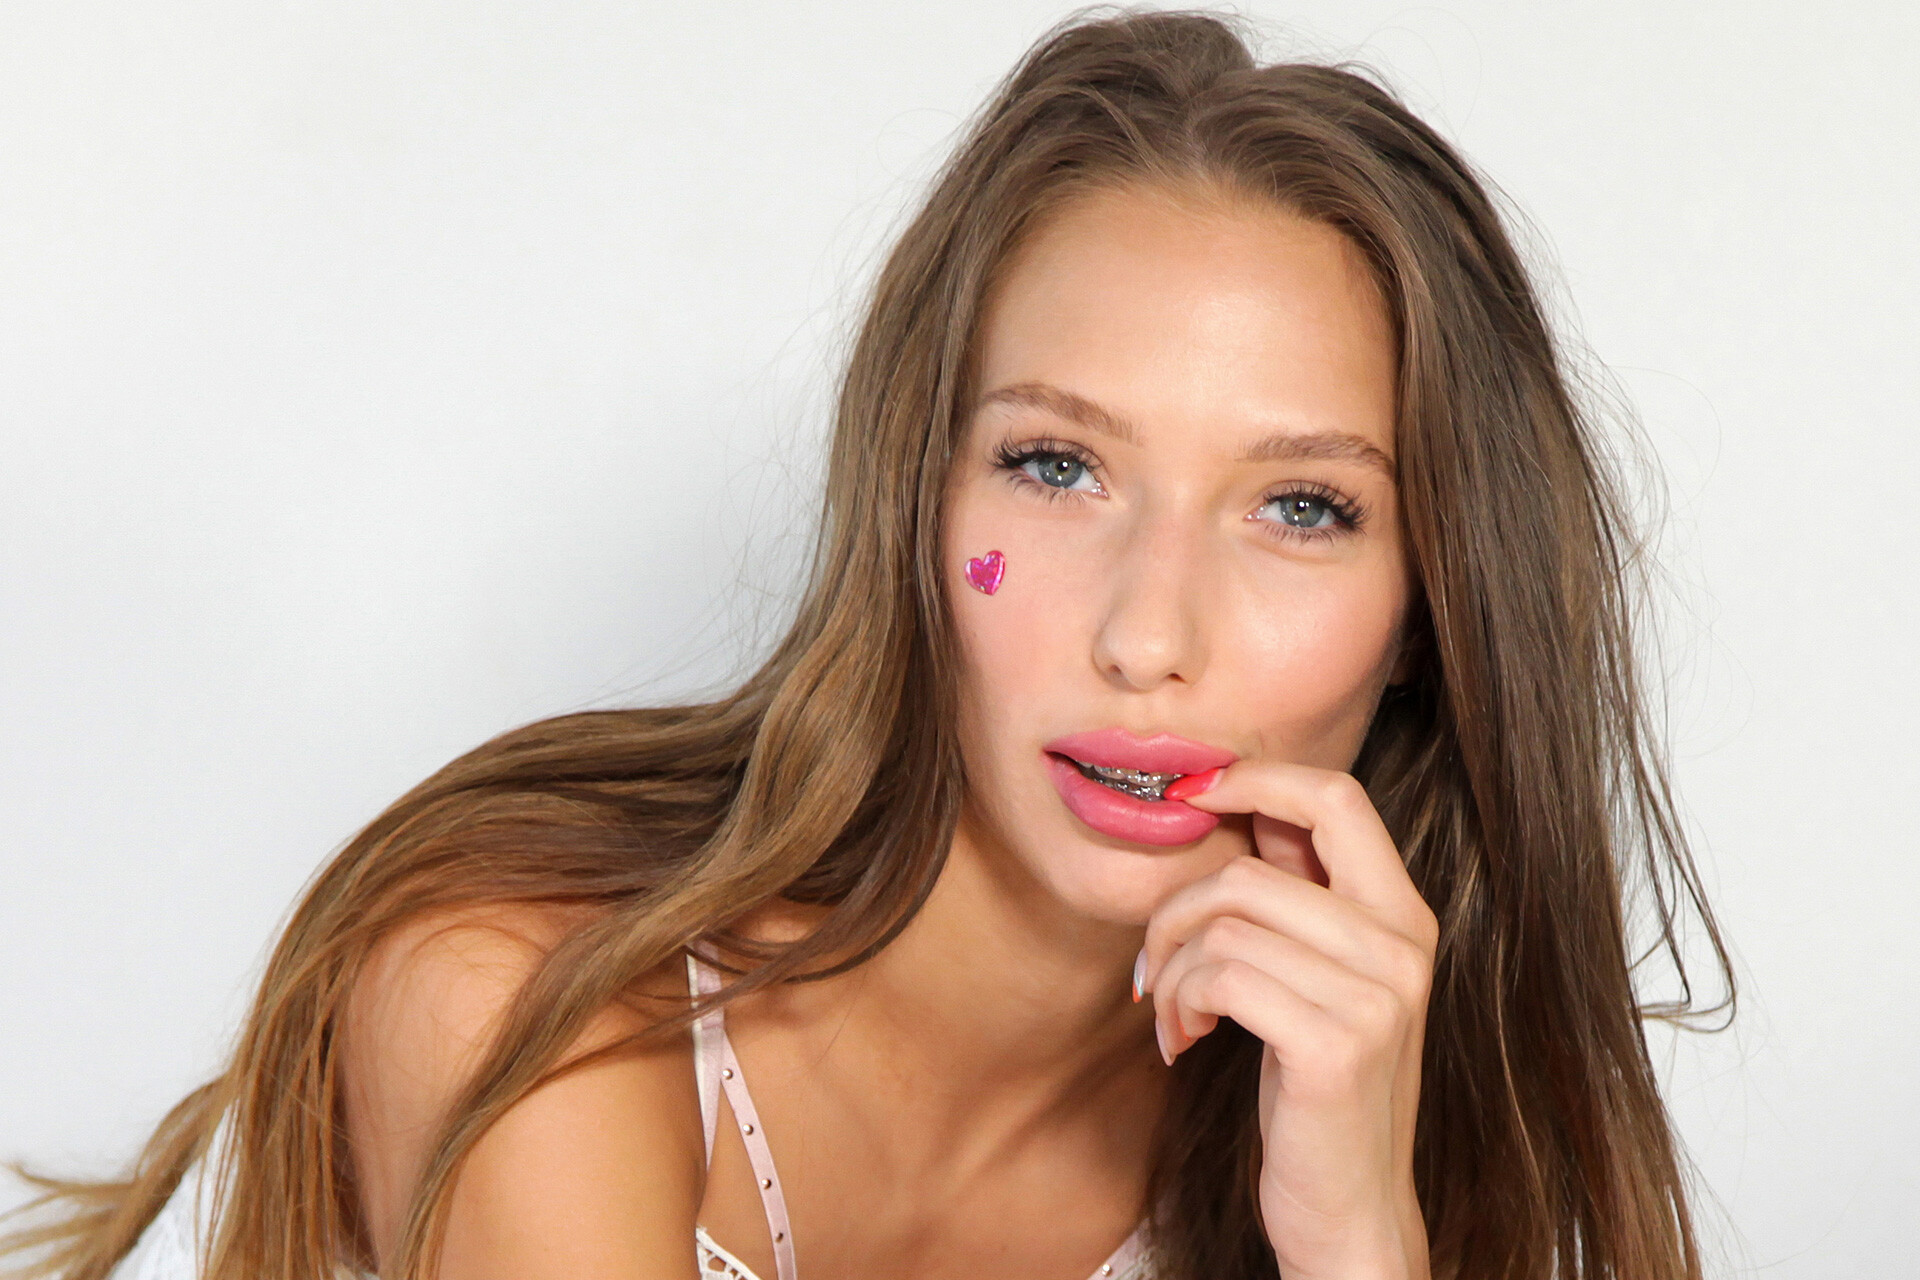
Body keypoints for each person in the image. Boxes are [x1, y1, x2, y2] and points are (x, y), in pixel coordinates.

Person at [3, 10, 1730, 1280]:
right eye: (1056, 467)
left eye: (1300, 508)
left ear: (1430, 612)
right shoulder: (523, 992)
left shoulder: (1377, 1143)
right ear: (917, 501)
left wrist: (1358, 1246)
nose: (1148, 635)